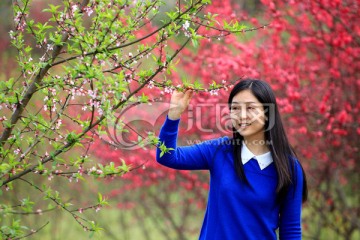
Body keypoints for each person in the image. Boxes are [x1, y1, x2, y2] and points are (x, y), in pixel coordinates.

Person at [156, 79, 308, 240]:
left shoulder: (288, 168)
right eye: (235, 108)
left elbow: (290, 230)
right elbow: (167, 156)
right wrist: (174, 115)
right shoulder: (219, 151)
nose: (241, 115)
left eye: (250, 108)